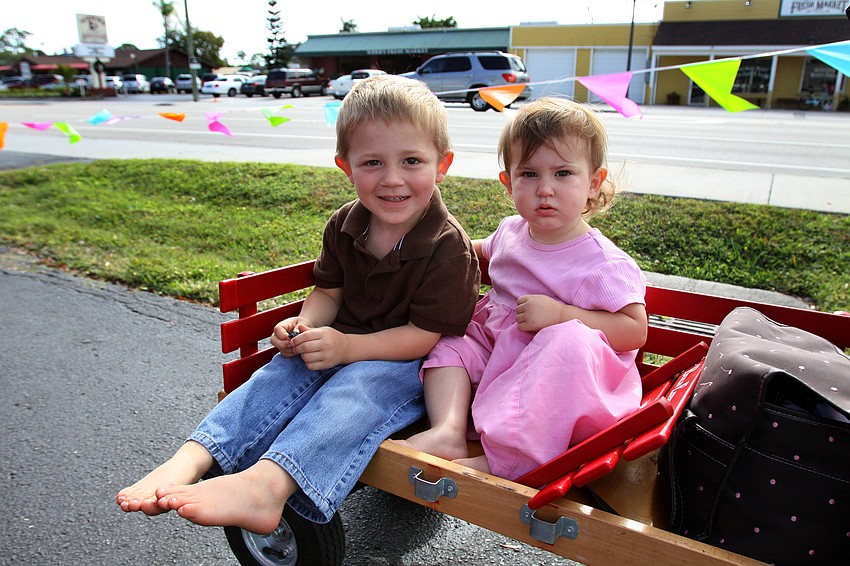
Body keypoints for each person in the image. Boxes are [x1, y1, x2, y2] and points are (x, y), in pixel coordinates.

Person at [115, 74, 480, 534]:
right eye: (372, 162)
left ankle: (267, 488)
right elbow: (329, 292)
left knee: (356, 392)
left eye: (411, 161)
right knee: (277, 375)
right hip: (339, 342)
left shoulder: (446, 246)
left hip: (407, 363)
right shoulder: (346, 223)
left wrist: (348, 349)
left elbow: (425, 336)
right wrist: (304, 323)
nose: (392, 180)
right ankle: (190, 458)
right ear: (345, 166)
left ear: (441, 164)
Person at [401, 97, 648, 481]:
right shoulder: (511, 232)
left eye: (563, 174)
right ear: (508, 182)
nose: (544, 189)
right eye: (529, 174)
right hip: (502, 358)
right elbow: (468, 252)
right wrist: (428, 247)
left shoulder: (602, 263)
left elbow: (635, 330)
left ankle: (510, 459)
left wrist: (565, 315)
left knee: (564, 341)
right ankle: (447, 430)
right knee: (451, 342)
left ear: (593, 182)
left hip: (564, 389)